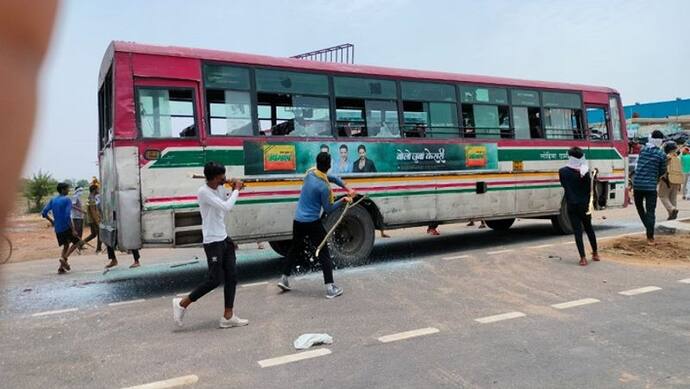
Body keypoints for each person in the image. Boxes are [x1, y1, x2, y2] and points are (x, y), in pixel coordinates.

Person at [173, 162, 248, 328]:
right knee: (214, 280)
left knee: (232, 276)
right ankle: (182, 303)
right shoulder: (203, 192)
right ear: (214, 178)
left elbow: (224, 203)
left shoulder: (218, 188)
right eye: (222, 176)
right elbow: (227, 207)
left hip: (223, 238)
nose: (224, 178)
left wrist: (232, 187)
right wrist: (236, 189)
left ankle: (228, 316)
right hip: (212, 241)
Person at [277, 152, 355, 298]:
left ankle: (284, 279)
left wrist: (346, 187)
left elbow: (330, 177)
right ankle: (330, 288)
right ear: (330, 165)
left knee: (294, 248)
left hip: (298, 220)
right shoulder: (324, 188)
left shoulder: (310, 173)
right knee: (324, 252)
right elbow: (329, 208)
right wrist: (344, 199)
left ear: (317, 163)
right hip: (312, 223)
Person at [559, 147, 600, 266]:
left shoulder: (562, 171)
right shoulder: (585, 172)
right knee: (589, 228)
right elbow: (590, 189)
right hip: (585, 206)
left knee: (577, 231)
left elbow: (564, 185)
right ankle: (595, 253)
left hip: (571, 205)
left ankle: (583, 258)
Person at [632, 130, 667, 244]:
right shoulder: (662, 154)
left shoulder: (643, 150)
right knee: (650, 211)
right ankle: (650, 236)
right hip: (651, 187)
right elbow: (662, 170)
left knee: (639, 207)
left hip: (637, 185)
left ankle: (648, 226)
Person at [41, 182, 83, 273]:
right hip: (66, 226)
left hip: (58, 228)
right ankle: (64, 258)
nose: (68, 190)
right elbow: (67, 216)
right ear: (63, 190)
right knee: (77, 242)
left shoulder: (53, 200)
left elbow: (44, 213)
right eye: (67, 189)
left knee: (66, 245)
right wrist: (73, 229)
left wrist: (52, 221)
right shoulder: (67, 200)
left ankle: (61, 268)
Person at [658, 141, 683, 220]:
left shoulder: (666, 157)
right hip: (677, 181)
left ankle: (672, 209)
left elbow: (662, 168)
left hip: (666, 180)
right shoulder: (678, 158)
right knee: (673, 198)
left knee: (663, 196)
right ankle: (672, 215)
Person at [81, 184, 102, 253]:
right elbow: (93, 212)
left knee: (93, 234)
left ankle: (80, 244)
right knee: (100, 233)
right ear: (94, 190)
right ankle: (98, 249)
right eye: (97, 189)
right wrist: (97, 221)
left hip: (90, 219)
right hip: (93, 220)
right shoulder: (92, 198)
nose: (98, 190)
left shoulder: (90, 197)